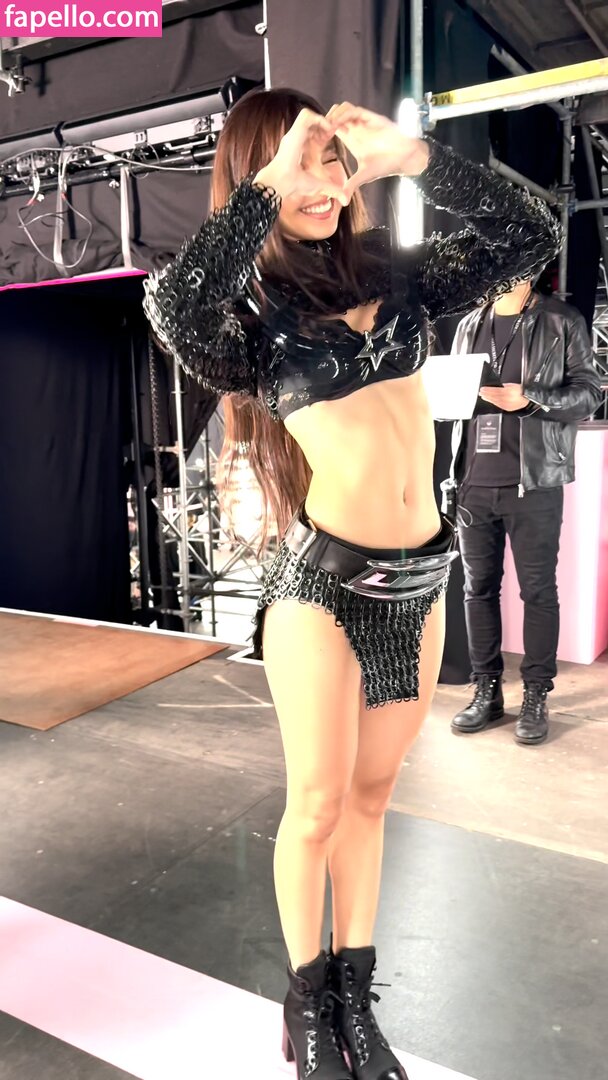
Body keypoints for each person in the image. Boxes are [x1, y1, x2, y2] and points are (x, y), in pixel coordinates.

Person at [143, 88, 560, 1080]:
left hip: (420, 579)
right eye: (302, 164)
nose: (323, 183)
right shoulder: (246, 320)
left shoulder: (395, 272)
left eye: (331, 163)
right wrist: (268, 189)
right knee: (319, 802)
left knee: (372, 798)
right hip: (322, 591)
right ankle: (307, 1007)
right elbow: (171, 305)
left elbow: (529, 235)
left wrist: (411, 158)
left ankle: (354, 1007)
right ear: (258, 175)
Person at [449, 280, 601, 747]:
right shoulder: (469, 324)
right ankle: (486, 690)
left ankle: (536, 693)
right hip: (474, 481)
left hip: (534, 482)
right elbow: (454, 395)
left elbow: (589, 394)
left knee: (538, 591)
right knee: (477, 590)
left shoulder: (561, 320)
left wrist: (532, 398)